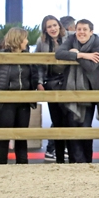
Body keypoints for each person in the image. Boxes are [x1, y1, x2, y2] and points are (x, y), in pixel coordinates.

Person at [55, 19, 99, 163]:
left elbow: (91, 67)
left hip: (90, 91)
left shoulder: (98, 43)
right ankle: (76, 161)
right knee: (72, 126)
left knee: (85, 127)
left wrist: (75, 54)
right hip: (70, 91)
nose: (81, 32)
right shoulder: (71, 39)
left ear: (91, 31)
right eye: (79, 29)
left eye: (85, 29)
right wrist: (82, 55)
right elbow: (59, 53)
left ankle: (86, 161)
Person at [0, 27, 39, 164]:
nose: (27, 41)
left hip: (24, 100)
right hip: (4, 101)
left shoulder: (29, 56)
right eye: (25, 38)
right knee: (3, 136)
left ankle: (22, 166)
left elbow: (34, 76)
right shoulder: (0, 56)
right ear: (18, 40)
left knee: (22, 136)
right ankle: (1, 167)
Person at [35, 15, 70, 163]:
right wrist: (39, 82)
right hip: (51, 82)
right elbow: (38, 64)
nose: (53, 29)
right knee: (56, 120)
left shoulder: (70, 38)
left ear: (59, 26)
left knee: (69, 118)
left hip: (69, 83)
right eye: (49, 26)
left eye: (55, 25)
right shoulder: (41, 42)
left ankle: (71, 154)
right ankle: (59, 157)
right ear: (45, 29)